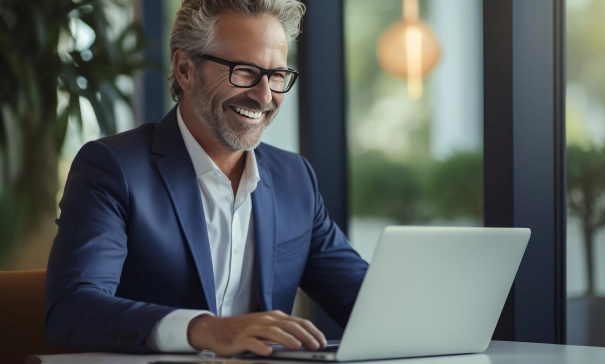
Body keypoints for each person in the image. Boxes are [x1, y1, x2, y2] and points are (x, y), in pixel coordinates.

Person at [45, 0, 368, 356]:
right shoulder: (113, 168)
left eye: (276, 76)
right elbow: (71, 309)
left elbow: (368, 301)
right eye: (244, 71)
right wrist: (204, 330)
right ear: (185, 69)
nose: (264, 96)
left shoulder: (296, 179)